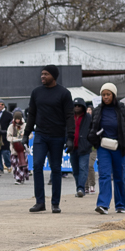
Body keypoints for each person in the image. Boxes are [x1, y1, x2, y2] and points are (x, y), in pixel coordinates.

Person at [24, 65, 74, 214]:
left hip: (57, 136)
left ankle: (55, 203)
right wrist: (26, 134)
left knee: (56, 169)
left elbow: (69, 116)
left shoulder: (64, 93)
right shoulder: (36, 92)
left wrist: (70, 137)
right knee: (37, 165)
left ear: (53, 76)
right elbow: (31, 114)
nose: (42, 76)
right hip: (40, 135)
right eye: (42, 74)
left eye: (45, 74)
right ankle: (40, 202)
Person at [87, 83, 125, 214]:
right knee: (104, 175)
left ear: (113, 95)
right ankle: (103, 205)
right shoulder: (97, 111)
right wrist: (95, 140)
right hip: (103, 148)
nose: (105, 97)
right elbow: (91, 128)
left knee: (119, 176)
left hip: (119, 148)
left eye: (108, 94)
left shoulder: (124, 110)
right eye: (103, 95)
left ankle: (120, 205)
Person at [70, 98, 93, 198]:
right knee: (75, 170)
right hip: (72, 147)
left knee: (83, 168)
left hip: (84, 147)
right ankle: (79, 188)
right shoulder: (70, 117)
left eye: (79, 105)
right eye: (75, 105)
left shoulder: (88, 117)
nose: (77, 107)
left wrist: (89, 142)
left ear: (83, 106)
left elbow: (93, 130)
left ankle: (81, 188)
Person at [6, 111, 30, 184]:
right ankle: (17, 176)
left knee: (21, 164)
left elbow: (30, 135)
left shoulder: (25, 125)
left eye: (18, 119)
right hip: (14, 148)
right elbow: (8, 136)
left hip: (23, 148)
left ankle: (19, 178)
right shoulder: (11, 126)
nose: (17, 121)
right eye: (16, 119)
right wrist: (13, 139)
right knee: (14, 164)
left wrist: (25, 136)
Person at [0, 99, 12, 173]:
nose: (0, 106)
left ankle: (8, 165)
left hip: (5, 136)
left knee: (5, 152)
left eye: (2, 104)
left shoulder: (8, 114)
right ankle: (0, 167)